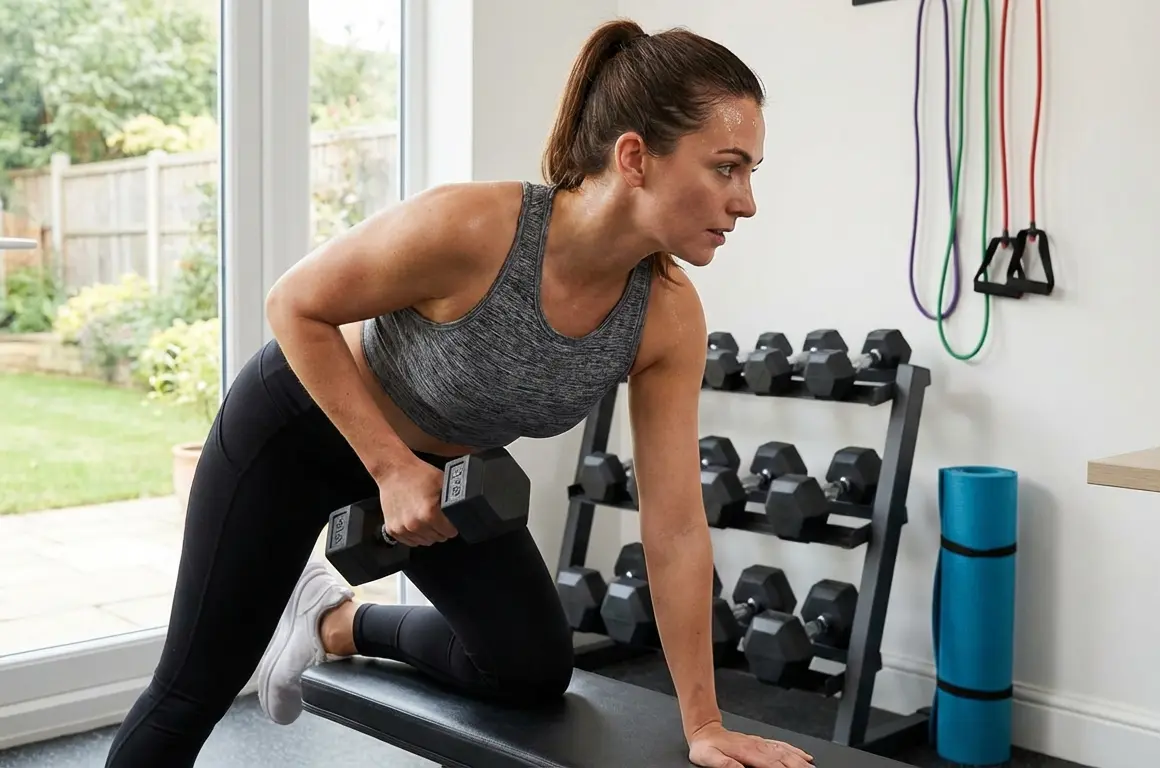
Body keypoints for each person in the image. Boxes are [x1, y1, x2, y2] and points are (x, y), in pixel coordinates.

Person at [103, 17, 814, 768]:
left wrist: (704, 725)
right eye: (727, 168)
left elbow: (673, 526)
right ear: (635, 156)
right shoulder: (477, 227)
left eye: (750, 173)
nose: (746, 202)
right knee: (193, 689)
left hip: (445, 474)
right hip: (300, 426)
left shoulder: (666, 314)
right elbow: (293, 305)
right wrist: (388, 467)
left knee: (531, 669)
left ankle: (332, 623)